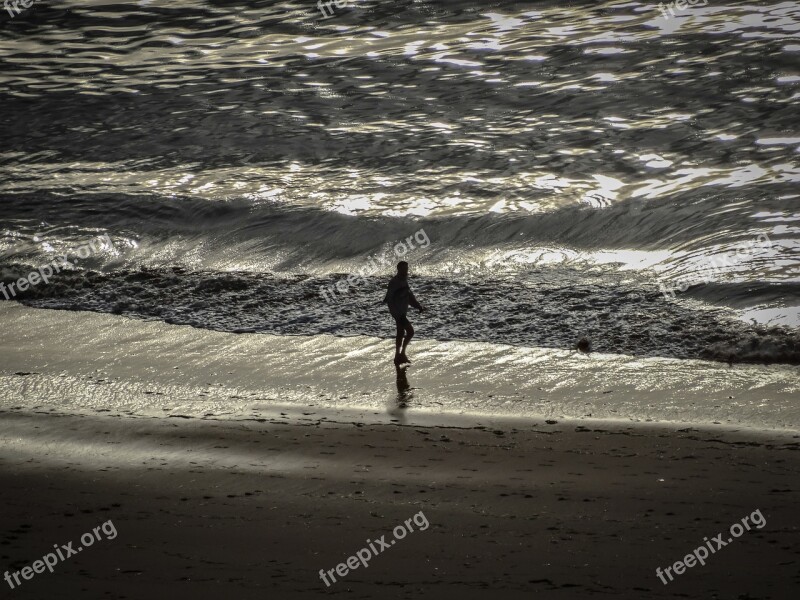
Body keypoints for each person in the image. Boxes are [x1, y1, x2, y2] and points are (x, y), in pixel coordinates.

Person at [383, 261, 424, 365]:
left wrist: (418, 306)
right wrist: (396, 314)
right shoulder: (394, 282)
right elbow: (389, 299)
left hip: (402, 312)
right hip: (398, 313)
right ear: (398, 269)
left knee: (400, 333)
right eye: (404, 269)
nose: (406, 271)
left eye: (407, 269)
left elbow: (409, 296)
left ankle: (398, 356)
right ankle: (402, 354)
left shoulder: (404, 281)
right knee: (410, 332)